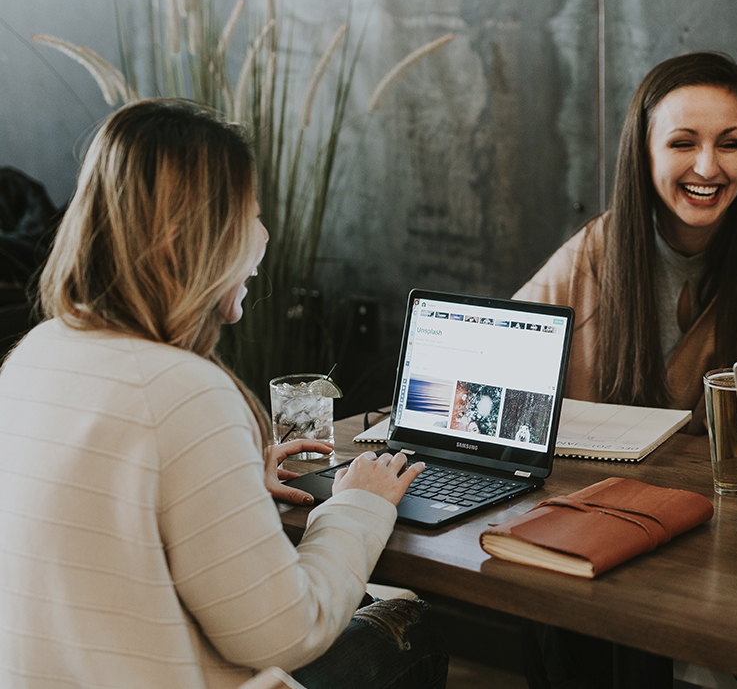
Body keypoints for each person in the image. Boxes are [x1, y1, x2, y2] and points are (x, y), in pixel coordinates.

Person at [0, 99, 447, 689]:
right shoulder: (185, 392)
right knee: (414, 623)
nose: (262, 237)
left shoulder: (36, 352)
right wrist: (357, 506)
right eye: (248, 215)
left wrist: (226, 480)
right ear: (182, 240)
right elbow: (286, 633)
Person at [516, 51, 737, 434]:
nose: (708, 168)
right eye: (682, 144)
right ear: (644, 153)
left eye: (729, 144)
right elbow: (498, 356)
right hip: (583, 493)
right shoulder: (593, 251)